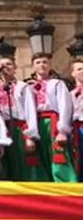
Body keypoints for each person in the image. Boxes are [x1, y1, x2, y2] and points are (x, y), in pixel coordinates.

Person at [29, 51, 77, 182]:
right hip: (36, 122)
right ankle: (45, 185)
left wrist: (62, 130)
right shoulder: (29, 86)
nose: (42, 65)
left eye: (45, 62)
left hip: (52, 121)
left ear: (50, 65)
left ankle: (65, 183)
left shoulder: (57, 84)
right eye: (38, 62)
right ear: (33, 66)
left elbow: (65, 106)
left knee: (58, 154)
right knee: (39, 155)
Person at [0, 55, 39, 181]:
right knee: (5, 165)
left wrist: (30, 136)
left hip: (20, 129)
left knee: (23, 164)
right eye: (2, 65)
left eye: (8, 64)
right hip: (3, 130)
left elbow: (30, 111)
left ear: (15, 68)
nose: (5, 68)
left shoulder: (22, 87)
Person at [70, 58, 83, 179]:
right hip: (76, 129)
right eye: (79, 69)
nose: (82, 71)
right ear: (73, 73)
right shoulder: (71, 94)